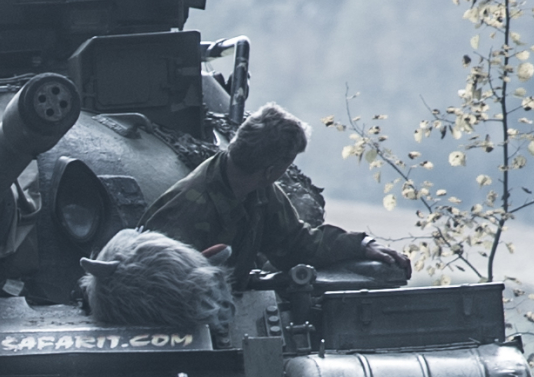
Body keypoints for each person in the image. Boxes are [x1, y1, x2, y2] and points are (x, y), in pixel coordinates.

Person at [142, 102, 412, 288]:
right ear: (271, 170)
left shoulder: (259, 191)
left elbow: (295, 243)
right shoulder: (188, 207)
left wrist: (361, 245)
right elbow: (158, 283)